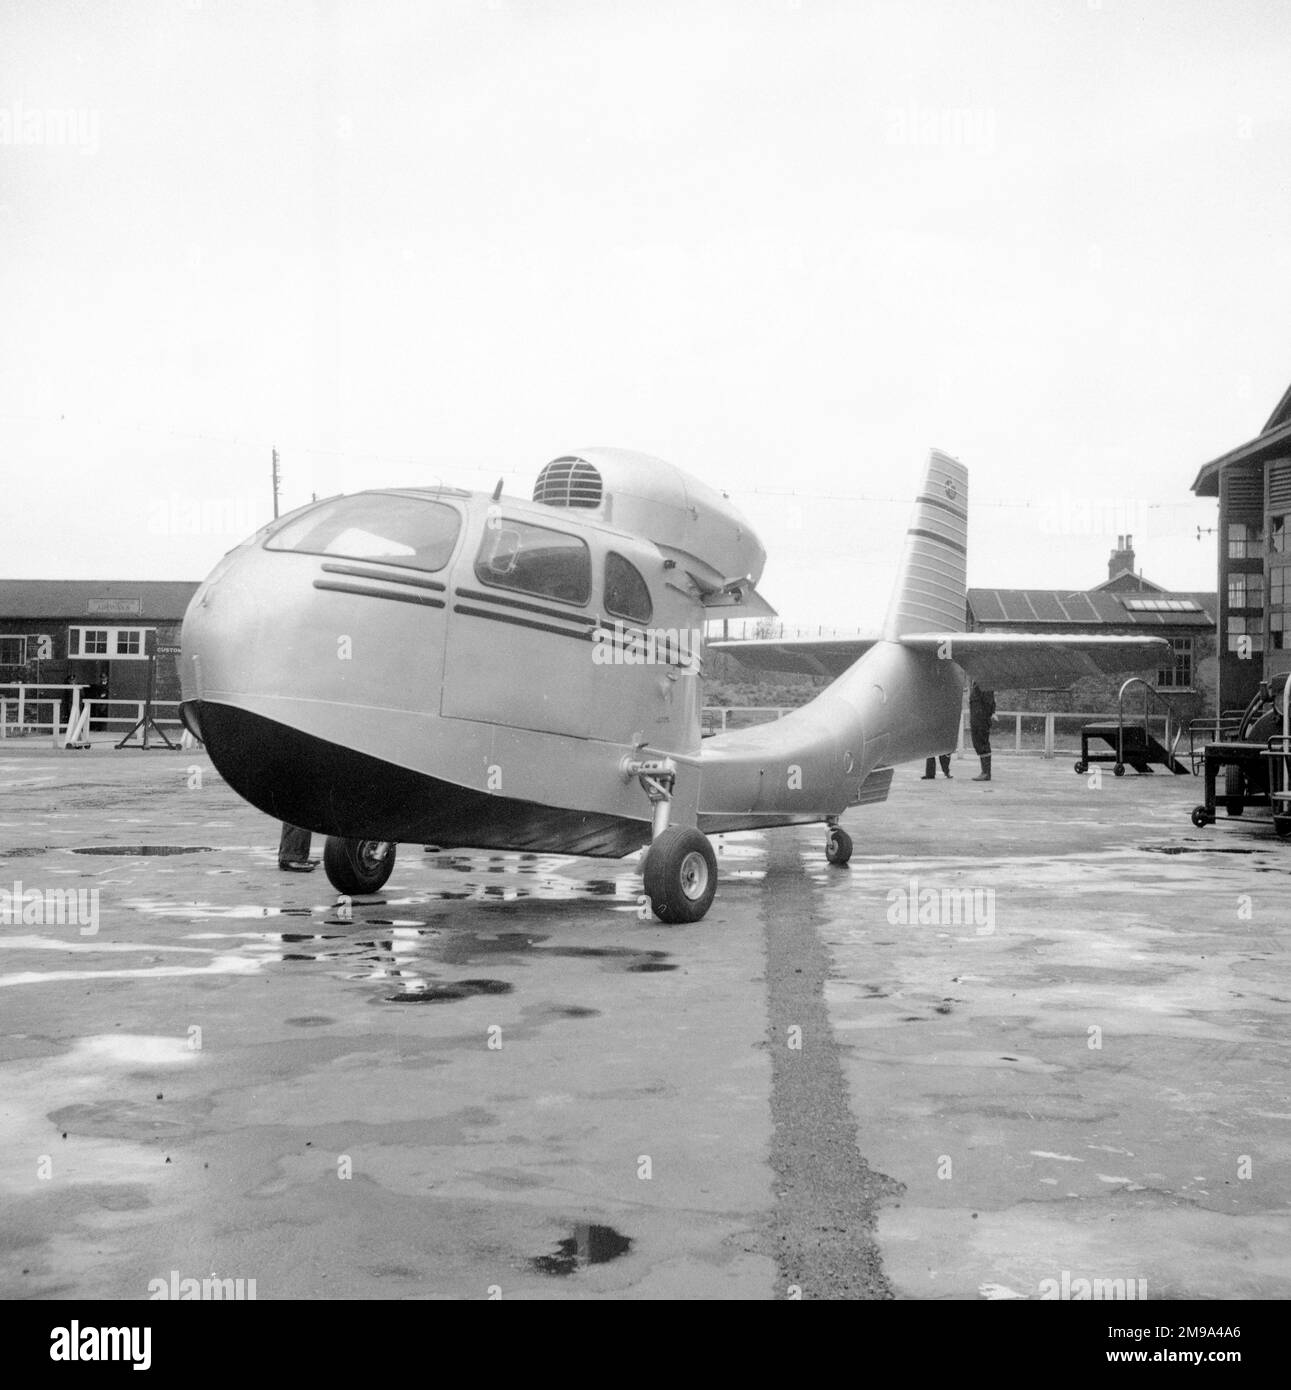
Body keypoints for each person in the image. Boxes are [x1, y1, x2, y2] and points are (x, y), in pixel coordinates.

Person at [969, 682, 995, 781]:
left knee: (983, 743)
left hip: (981, 719)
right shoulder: (976, 684)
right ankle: (984, 772)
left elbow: (989, 701)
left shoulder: (984, 682)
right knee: (978, 743)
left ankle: (986, 772)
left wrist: (988, 715)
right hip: (976, 719)